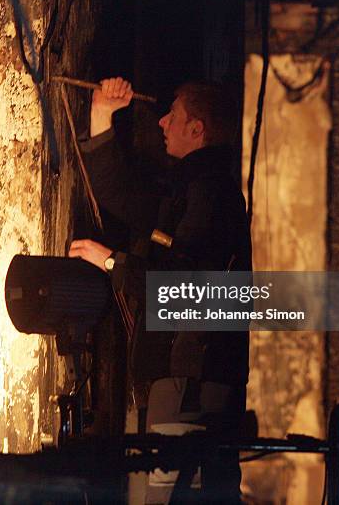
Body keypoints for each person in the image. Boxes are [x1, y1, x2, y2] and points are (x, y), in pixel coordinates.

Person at [69, 77, 252, 502]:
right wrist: (101, 112)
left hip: (191, 380)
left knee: (171, 495)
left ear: (197, 129)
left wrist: (112, 261)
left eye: (175, 116)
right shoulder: (189, 187)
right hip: (178, 379)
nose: (163, 123)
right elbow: (124, 195)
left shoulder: (211, 193)